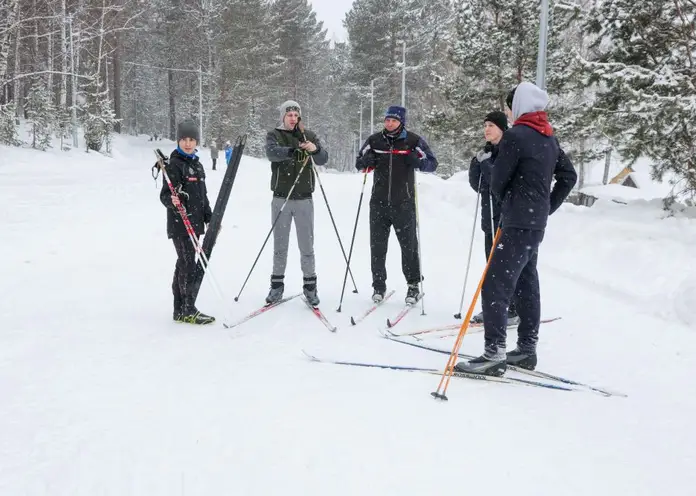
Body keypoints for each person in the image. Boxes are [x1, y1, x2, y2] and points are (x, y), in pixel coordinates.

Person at [455, 82, 577, 376]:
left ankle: (493, 354)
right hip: (535, 223)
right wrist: (546, 206)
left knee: (495, 283)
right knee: (526, 282)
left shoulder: (516, 136)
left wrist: (490, 171)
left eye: (510, 107)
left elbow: (497, 183)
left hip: (516, 221)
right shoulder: (548, 137)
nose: (508, 113)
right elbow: (568, 176)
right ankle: (526, 349)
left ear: (520, 106)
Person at [355, 105, 438, 304]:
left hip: (404, 203)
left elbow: (432, 163)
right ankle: (378, 286)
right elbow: (359, 162)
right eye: (387, 120)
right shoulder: (375, 140)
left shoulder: (413, 141)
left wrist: (416, 161)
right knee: (377, 247)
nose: (389, 123)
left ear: (401, 122)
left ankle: (413, 286)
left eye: (393, 120)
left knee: (408, 246)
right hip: (378, 203)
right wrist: (366, 161)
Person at [264, 100, 329, 306]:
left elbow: (323, 158)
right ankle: (276, 287)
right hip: (281, 197)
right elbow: (271, 153)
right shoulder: (274, 134)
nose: (293, 118)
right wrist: (292, 151)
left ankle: (310, 287)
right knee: (280, 245)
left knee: (306, 246)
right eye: (289, 114)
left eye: (295, 115)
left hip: (303, 198)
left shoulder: (308, 135)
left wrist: (314, 149)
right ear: (283, 116)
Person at [159, 119, 215, 325]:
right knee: (187, 264)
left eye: (192, 139)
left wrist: (210, 217)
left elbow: (203, 195)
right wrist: (172, 201)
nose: (188, 143)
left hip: (196, 222)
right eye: (184, 139)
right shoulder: (174, 165)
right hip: (180, 222)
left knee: (183, 263)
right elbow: (165, 195)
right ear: (178, 141)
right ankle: (188, 308)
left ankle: (179, 309)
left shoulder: (197, 165)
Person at [468, 111, 519, 326]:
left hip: (508, 219)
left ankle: (513, 309)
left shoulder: (509, 151)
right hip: (489, 218)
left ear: (502, 128)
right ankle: (492, 308)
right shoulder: (484, 153)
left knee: (506, 267)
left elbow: (500, 182)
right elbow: (477, 185)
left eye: (491, 125)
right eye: (485, 124)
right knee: (491, 266)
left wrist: (488, 167)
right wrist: (476, 165)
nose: (486, 129)